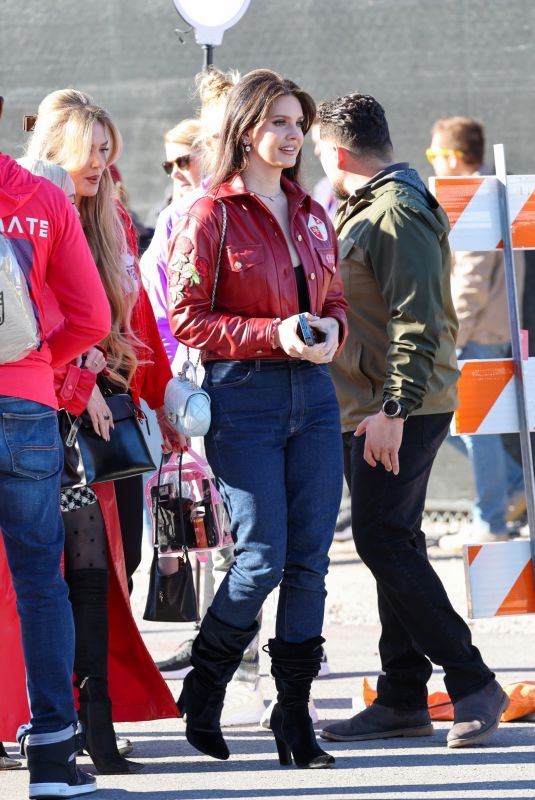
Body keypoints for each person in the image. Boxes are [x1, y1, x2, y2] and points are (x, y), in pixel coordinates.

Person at [315, 92, 508, 749]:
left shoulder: (394, 210)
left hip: (398, 408)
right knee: (393, 539)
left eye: (316, 149)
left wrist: (391, 408)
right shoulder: (373, 205)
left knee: (380, 540)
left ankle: (472, 680)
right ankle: (401, 696)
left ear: (336, 152)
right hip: (379, 405)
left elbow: (419, 318)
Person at [167, 68, 347, 768]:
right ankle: (206, 684)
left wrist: (332, 330)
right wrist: (273, 335)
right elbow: (187, 318)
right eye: (276, 121)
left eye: (297, 122)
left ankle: (292, 717)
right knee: (262, 557)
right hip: (244, 395)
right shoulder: (210, 211)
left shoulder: (310, 211)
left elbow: (332, 299)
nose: (291, 134)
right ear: (245, 130)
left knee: (310, 564)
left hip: (314, 397)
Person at [20, 90, 183, 772]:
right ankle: (83, 729)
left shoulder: (110, 220)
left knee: (118, 567)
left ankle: (86, 724)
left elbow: (137, 323)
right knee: (69, 576)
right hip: (49, 414)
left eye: (109, 149)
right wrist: (77, 376)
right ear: (57, 148)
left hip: (106, 419)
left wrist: (163, 395)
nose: (104, 163)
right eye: (92, 149)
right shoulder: (33, 211)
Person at [0, 93, 111, 798]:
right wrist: (43, 363)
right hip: (25, 406)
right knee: (41, 582)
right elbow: (92, 316)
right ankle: (51, 759)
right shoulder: (40, 198)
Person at [425, 116, 525, 552]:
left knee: (472, 428)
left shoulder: (474, 199)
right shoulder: (490, 193)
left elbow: (469, 280)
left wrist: (452, 335)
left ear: (451, 156)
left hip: (475, 332)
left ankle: (492, 518)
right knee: (462, 426)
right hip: (488, 328)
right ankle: (514, 487)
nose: (433, 164)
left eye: (434, 155)